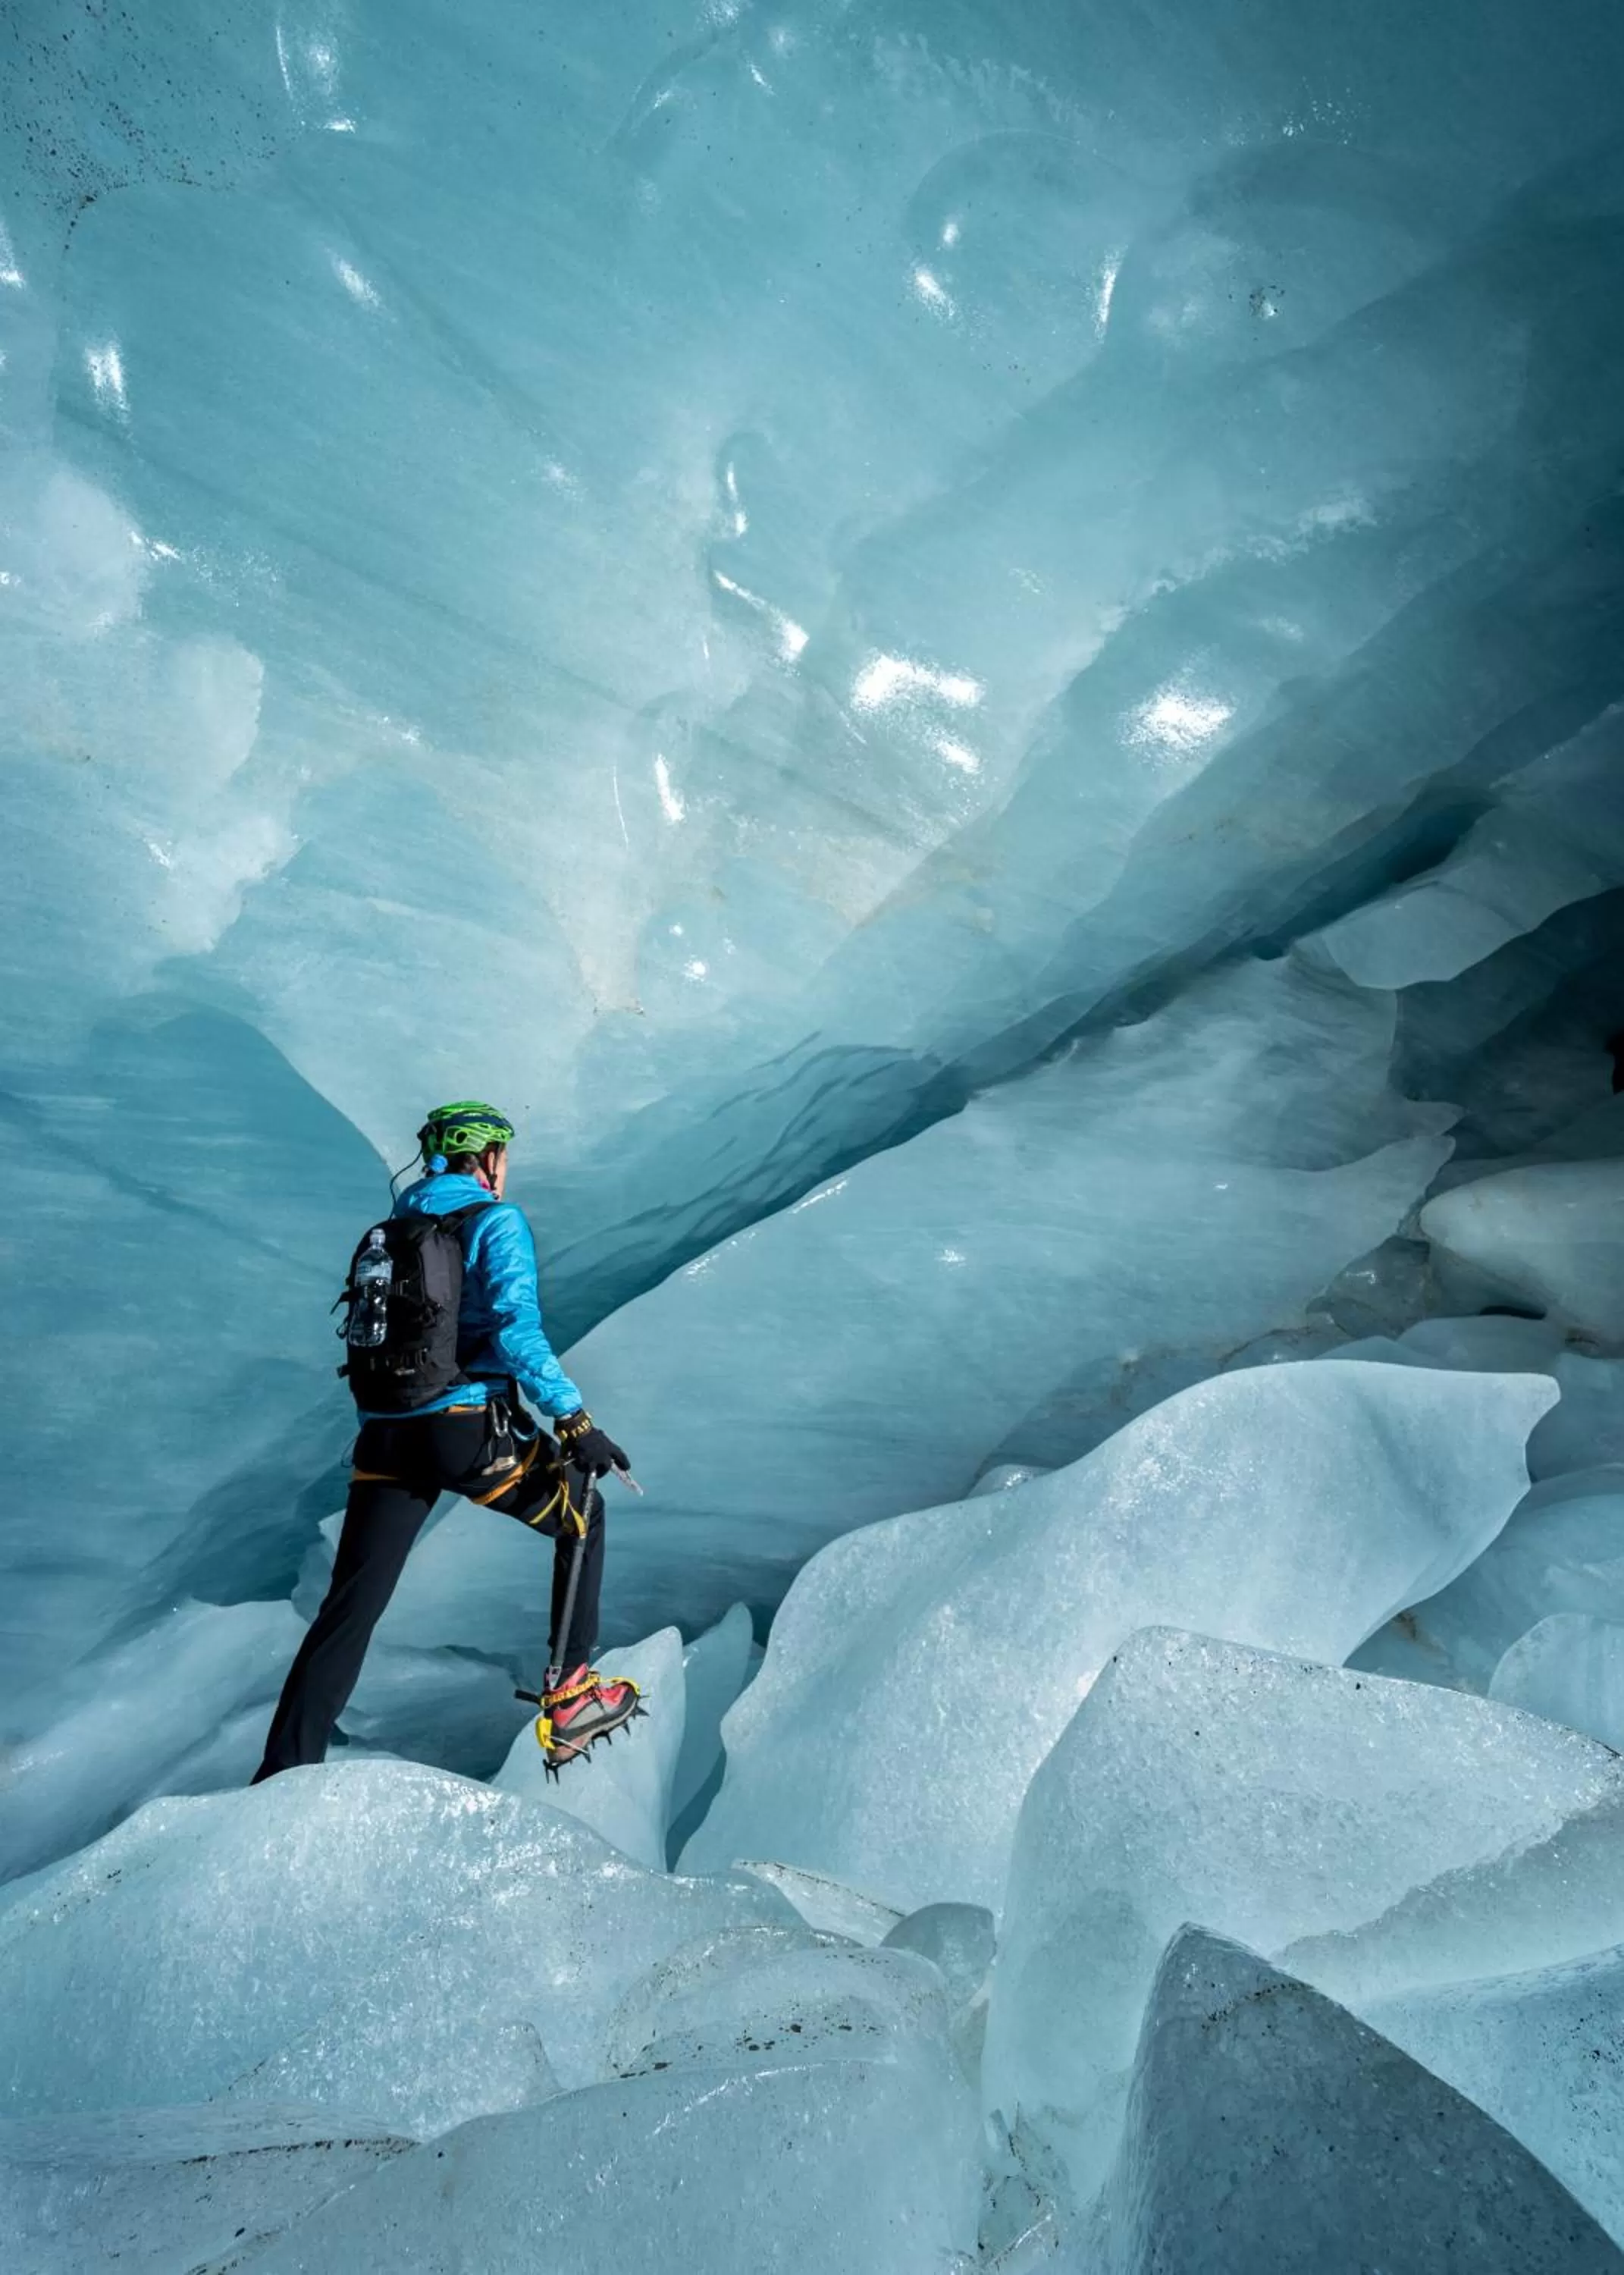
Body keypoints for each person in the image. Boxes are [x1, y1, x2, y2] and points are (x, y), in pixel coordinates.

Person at [254, 1101, 636, 1781]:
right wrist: (575, 1422)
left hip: (385, 1440)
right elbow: (517, 1331)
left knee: (350, 1610)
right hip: (462, 1431)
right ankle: (572, 1692)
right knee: (584, 1512)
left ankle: (284, 1768)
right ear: (488, 1160)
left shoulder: (396, 1229)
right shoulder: (496, 1220)